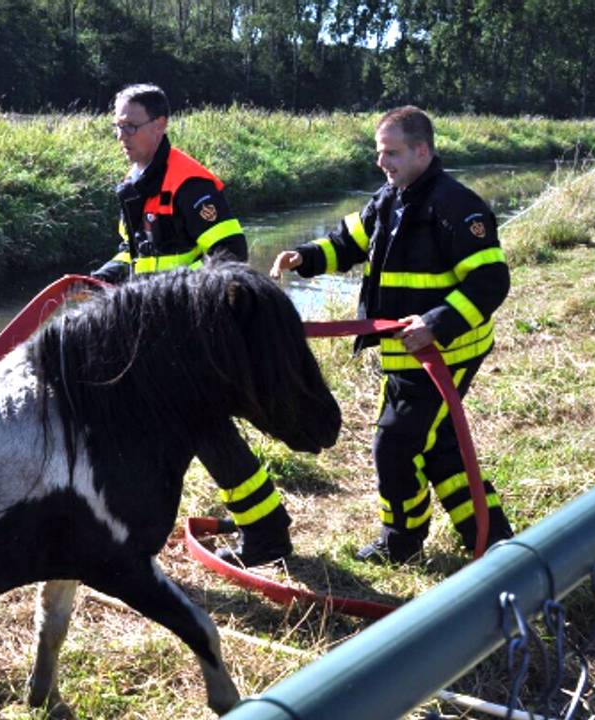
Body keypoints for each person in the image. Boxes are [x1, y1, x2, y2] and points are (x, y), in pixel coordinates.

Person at [270, 106, 514, 564]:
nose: (383, 162)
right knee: (437, 445)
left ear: (423, 150)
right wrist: (303, 257)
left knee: (396, 444)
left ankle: (400, 541)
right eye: (380, 153)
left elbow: (490, 283)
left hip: (447, 352)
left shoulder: (457, 207)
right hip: (407, 354)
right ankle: (492, 537)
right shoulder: (389, 198)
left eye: (392, 153)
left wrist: (436, 324)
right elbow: (348, 244)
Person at [90, 83, 291, 567]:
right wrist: (104, 276)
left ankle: (266, 534)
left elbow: (230, 256)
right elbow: (132, 253)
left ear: (160, 126)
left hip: (185, 338)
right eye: (117, 125)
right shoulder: (136, 179)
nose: (122, 134)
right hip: (147, 336)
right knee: (156, 433)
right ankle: (136, 528)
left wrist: (186, 307)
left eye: (130, 125)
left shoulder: (189, 185)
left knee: (208, 437)